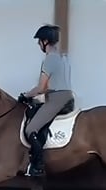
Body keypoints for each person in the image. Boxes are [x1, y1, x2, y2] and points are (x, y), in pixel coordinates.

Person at [18, 24, 73, 177]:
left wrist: (25, 95)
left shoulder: (50, 60)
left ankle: (38, 166)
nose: (38, 44)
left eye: (39, 41)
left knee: (30, 129)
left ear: (45, 41)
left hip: (57, 98)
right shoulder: (62, 58)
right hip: (64, 96)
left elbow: (41, 87)